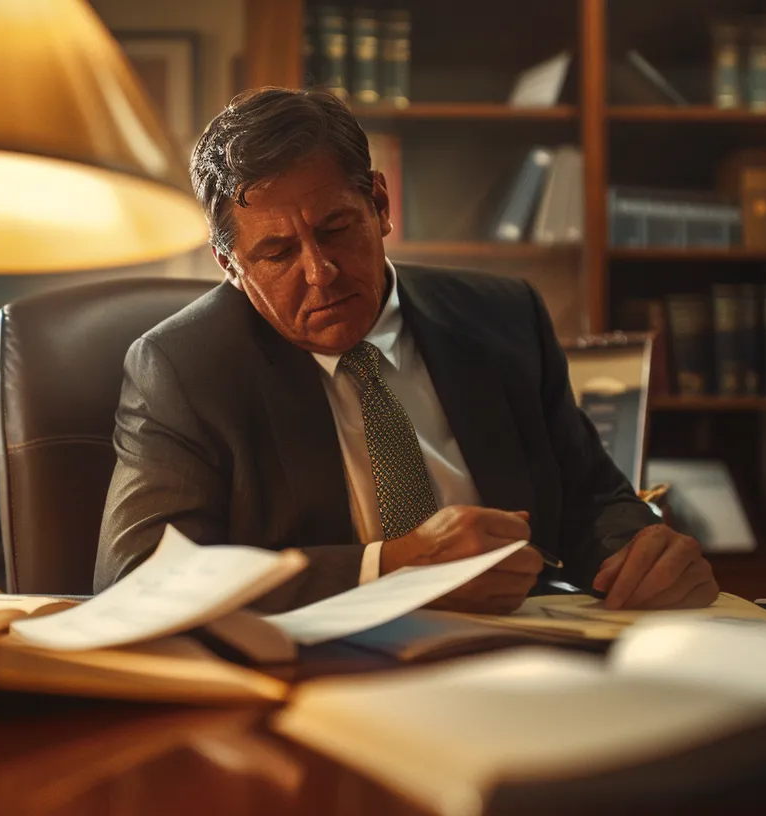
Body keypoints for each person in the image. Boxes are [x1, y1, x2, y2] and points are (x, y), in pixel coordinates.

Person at [95, 87, 718, 614]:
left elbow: (589, 495)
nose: (321, 273)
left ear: (380, 205)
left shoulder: (504, 316)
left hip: (524, 650)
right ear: (230, 266)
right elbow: (139, 581)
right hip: (318, 682)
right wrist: (387, 569)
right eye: (277, 253)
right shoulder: (181, 368)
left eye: (336, 228)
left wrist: (639, 548)